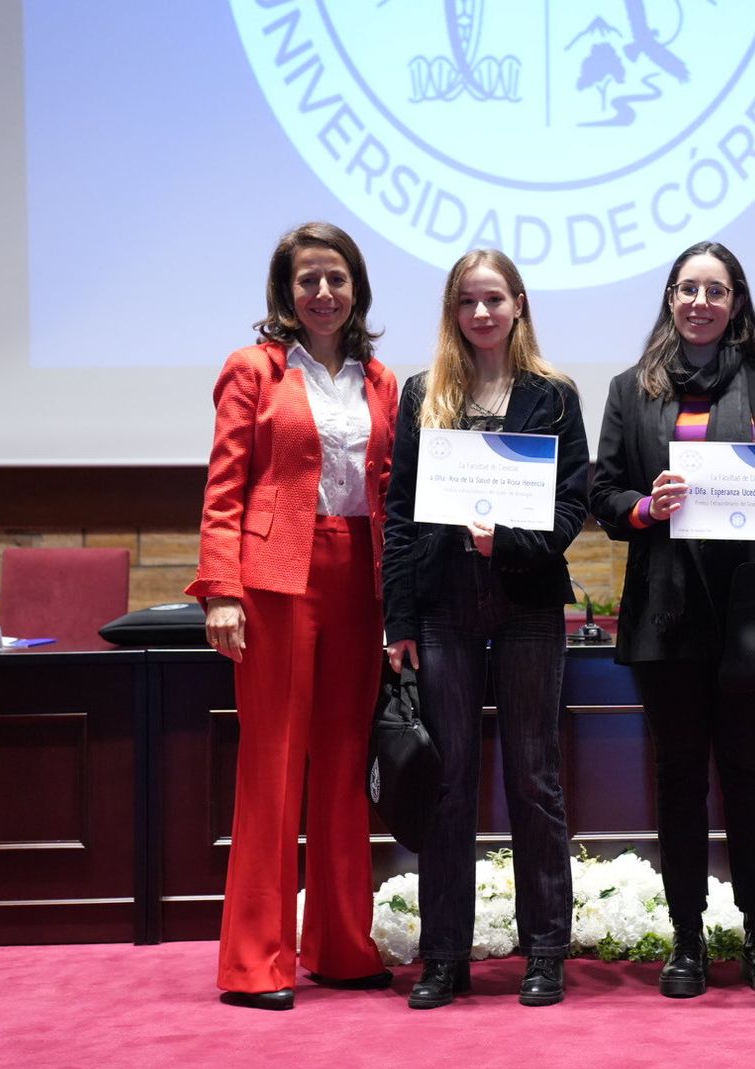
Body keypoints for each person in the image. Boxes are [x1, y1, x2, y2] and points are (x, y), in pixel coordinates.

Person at [186, 222, 398, 1010]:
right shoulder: (253, 369)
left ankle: (343, 946)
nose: (322, 293)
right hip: (274, 581)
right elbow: (224, 486)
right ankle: (255, 961)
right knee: (271, 768)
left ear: (356, 288)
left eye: (335, 278)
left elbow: (392, 494)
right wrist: (221, 589)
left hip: (360, 580)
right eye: (307, 279)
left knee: (345, 770)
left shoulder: (383, 381)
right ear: (285, 291)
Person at [590, 241, 755, 999]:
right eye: (688, 288)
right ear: (670, 299)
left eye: (716, 290)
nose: (701, 302)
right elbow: (603, 492)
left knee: (750, 777)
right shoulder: (628, 390)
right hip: (666, 615)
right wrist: (646, 506)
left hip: (749, 615)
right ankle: (686, 941)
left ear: (736, 301)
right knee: (679, 780)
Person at [382, 250, 587, 1009]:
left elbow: (571, 510)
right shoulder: (422, 394)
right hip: (442, 609)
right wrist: (397, 619)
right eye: (467, 301)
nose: (481, 314)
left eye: (493, 299)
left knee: (535, 780)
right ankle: (444, 958)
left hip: (529, 605)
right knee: (449, 785)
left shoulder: (555, 396)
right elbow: (400, 517)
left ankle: (545, 953)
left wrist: (510, 543)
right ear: (452, 311)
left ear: (519, 305)